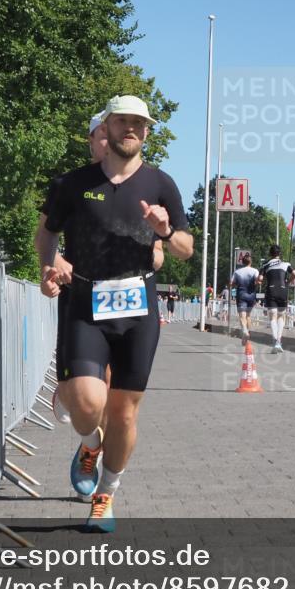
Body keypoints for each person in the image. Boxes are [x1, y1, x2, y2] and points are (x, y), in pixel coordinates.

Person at [35, 95, 193, 532]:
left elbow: (185, 247)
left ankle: (105, 494)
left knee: (124, 413)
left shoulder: (161, 184)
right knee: (86, 403)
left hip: (138, 308)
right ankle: (90, 443)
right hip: (84, 303)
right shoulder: (73, 183)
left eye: (139, 124)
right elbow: (45, 235)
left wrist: (164, 231)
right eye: (123, 121)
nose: (131, 129)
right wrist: (49, 267)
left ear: (146, 132)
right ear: (106, 126)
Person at [258, 244, 295, 353]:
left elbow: (260, 278)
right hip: (283, 290)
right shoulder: (286, 264)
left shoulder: (265, 265)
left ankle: (275, 341)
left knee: (272, 317)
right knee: (281, 316)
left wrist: (260, 280)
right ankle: (279, 341)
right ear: (279, 254)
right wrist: (288, 282)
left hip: (271, 290)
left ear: (270, 254)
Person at [230, 253, 259, 340]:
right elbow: (258, 281)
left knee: (242, 316)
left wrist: (236, 284)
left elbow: (231, 283)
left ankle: (245, 331)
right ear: (251, 262)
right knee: (248, 315)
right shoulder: (255, 271)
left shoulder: (237, 272)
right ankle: (249, 334)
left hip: (241, 295)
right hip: (251, 295)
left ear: (242, 262)